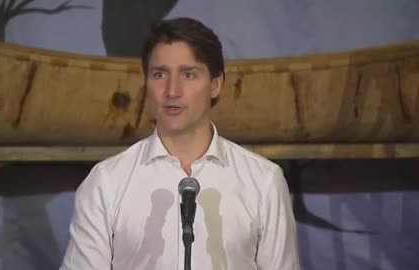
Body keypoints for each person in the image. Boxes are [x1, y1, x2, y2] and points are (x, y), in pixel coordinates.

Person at [60, 17, 300, 270]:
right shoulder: (106, 182)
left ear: (215, 85)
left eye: (188, 74)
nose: (172, 90)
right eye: (160, 74)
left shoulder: (263, 182)